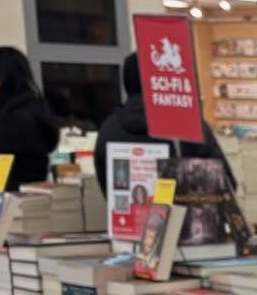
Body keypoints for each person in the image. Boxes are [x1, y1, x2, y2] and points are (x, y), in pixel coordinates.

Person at [92, 51, 231, 195]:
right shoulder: (187, 123)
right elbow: (225, 183)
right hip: (182, 215)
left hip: (126, 215)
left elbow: (106, 185)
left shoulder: (109, 129)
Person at [0, 47, 59, 195]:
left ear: (1, 76)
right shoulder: (24, 109)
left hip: (10, 199)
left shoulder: (16, 118)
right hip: (6, 193)